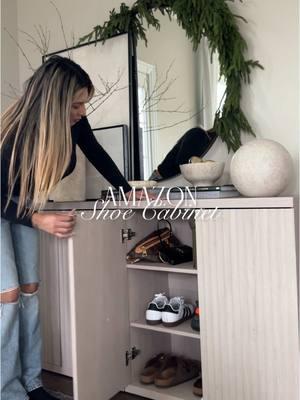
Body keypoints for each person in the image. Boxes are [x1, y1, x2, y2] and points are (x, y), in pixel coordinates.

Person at [1, 55, 132, 400]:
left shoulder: (73, 124)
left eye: (84, 104)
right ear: (53, 103)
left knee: (30, 289)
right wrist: (37, 218)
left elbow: (95, 152)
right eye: (76, 105)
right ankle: (7, 391)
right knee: (9, 295)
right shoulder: (13, 133)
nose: (82, 112)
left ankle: (32, 384)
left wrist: (128, 190)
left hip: (24, 205)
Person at [149, 127, 217, 181]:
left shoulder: (202, 138)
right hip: (162, 179)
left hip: (168, 179)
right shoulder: (198, 134)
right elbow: (182, 163)